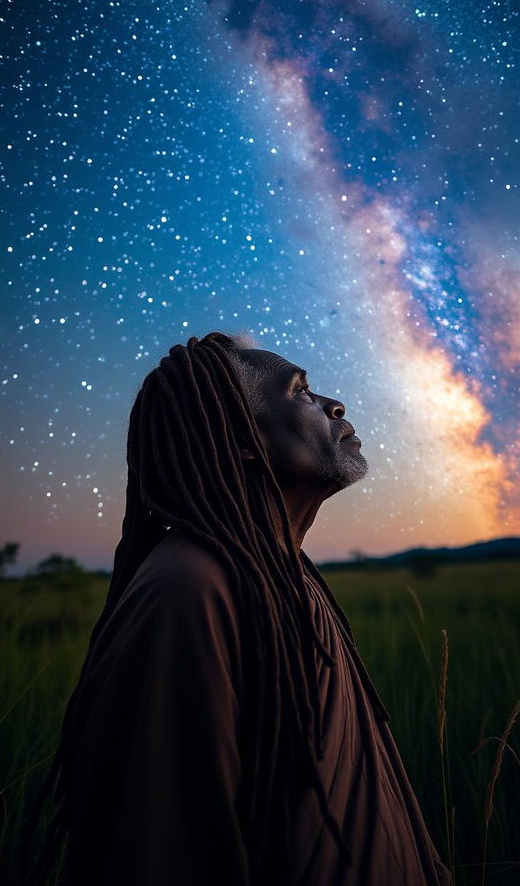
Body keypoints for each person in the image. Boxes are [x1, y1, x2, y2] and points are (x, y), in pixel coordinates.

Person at [28, 331, 450, 886]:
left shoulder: (283, 573)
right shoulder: (190, 590)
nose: (334, 404)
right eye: (300, 390)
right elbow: (161, 853)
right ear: (243, 438)